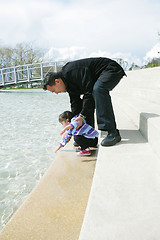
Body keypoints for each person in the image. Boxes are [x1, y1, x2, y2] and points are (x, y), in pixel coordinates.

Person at [43, 57, 126, 146]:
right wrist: (73, 128)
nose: (56, 93)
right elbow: (75, 103)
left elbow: (88, 93)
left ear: (57, 81)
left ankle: (113, 133)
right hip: (97, 78)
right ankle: (90, 139)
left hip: (110, 69)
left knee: (98, 90)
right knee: (84, 106)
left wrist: (82, 116)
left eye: (53, 90)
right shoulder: (67, 83)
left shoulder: (72, 72)